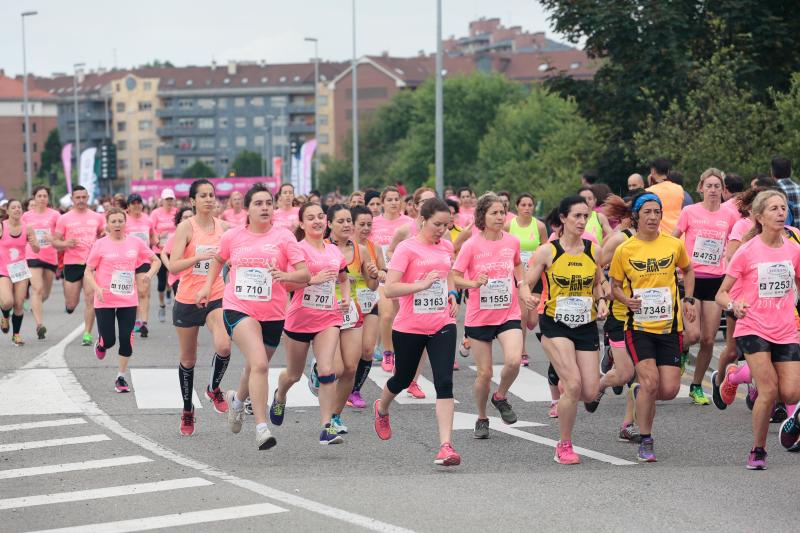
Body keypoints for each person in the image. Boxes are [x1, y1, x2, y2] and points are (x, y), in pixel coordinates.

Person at [198, 183, 308, 450]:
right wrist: (206, 286)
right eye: (258, 203)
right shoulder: (233, 236)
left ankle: (236, 399)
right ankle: (261, 427)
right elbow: (218, 260)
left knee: (253, 366)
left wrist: (286, 276)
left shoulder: (284, 238)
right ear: (247, 209)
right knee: (259, 364)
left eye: (268, 203)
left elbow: (304, 275)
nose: (265, 208)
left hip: (272, 313)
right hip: (238, 308)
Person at [373, 198, 462, 466]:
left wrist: (452, 293)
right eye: (437, 224)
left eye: (446, 225)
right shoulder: (406, 249)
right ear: (422, 220)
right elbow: (390, 289)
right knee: (402, 378)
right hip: (409, 325)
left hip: (442, 323)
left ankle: (446, 446)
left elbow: (448, 274)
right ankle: (382, 407)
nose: (442, 230)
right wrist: (420, 286)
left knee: (444, 382)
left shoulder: (446, 246)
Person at [715, 189, 800, 468]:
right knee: (769, 389)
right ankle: (758, 450)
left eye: (783, 208)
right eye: (774, 208)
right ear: (760, 217)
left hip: (785, 327)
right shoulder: (747, 251)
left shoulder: (794, 248)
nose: (781, 213)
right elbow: (722, 293)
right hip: (753, 327)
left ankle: (733, 376)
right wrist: (733, 306)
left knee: (791, 393)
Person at [609, 191, 696, 462]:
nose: (653, 217)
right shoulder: (625, 249)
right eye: (647, 212)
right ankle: (646, 439)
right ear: (636, 216)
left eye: (656, 212)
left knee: (668, 390)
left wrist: (689, 299)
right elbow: (615, 286)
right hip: (639, 326)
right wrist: (626, 300)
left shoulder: (673, 244)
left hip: (669, 327)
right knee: (649, 382)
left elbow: (688, 270)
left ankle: (639, 393)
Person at [523, 196, 608, 465]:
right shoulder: (549, 251)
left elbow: (599, 283)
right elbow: (526, 282)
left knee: (590, 392)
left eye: (586, 216)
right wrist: (527, 296)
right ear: (563, 218)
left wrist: (603, 299)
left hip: (585, 325)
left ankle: (566, 382)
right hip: (555, 324)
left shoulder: (593, 250)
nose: (582, 221)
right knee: (573, 385)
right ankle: (564, 445)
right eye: (577, 216)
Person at [271, 202, 350, 445]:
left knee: (327, 370)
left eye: (320, 217)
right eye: (311, 218)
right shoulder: (298, 250)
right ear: (302, 224)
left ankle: (326, 427)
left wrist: (344, 299)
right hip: (299, 319)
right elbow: (285, 284)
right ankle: (280, 395)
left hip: (329, 317)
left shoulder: (334, 251)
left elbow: (344, 279)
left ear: (326, 221)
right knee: (294, 374)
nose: (317, 221)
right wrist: (312, 280)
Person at [453, 192, 529, 437]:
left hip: (508, 313)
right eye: (494, 213)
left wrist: (523, 286)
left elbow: (517, 265)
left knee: (514, 360)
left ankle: (501, 396)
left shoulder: (512, 242)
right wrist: (473, 283)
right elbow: (454, 276)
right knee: (484, 373)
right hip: (479, 316)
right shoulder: (471, 245)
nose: (500, 217)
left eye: (502, 212)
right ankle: (482, 416)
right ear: (482, 216)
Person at [168, 179, 232, 436]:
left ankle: (213, 389)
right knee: (188, 359)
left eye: (211, 195)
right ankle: (187, 410)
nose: (208, 199)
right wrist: (197, 257)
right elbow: (173, 266)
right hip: (187, 298)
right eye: (203, 196)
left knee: (224, 345)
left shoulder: (224, 228)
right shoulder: (186, 227)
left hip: (216, 295)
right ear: (192, 201)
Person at [672, 168, 738, 405]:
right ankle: (680, 352)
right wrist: (674, 267)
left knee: (708, 339)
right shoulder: (689, 212)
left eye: (717, 186)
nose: (713, 190)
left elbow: (737, 244)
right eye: (708, 186)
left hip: (715, 280)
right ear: (700, 188)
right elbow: (673, 239)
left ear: (722, 190)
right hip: (691, 278)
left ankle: (696, 385)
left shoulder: (730, 216)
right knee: (694, 334)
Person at [84, 208, 160, 393]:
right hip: (105, 299)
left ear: (125, 223)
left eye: (120, 221)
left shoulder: (136, 242)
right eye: (113, 221)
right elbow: (88, 271)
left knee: (126, 339)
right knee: (109, 340)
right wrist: (97, 288)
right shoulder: (100, 244)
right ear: (107, 224)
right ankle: (101, 343)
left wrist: (148, 275)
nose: (117, 224)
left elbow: (155, 260)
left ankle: (121, 377)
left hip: (128, 299)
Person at [323, 204, 380, 433]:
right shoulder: (322, 248)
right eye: (341, 221)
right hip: (326, 312)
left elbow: (372, 285)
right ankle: (321, 368)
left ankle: (334, 416)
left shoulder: (361, 250)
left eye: (349, 221)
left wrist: (374, 275)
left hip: (352, 312)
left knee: (350, 368)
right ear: (329, 224)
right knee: (335, 368)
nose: (347, 225)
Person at [52, 186, 106, 346]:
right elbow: (55, 242)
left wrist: (102, 237)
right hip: (72, 263)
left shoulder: (97, 217)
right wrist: (65, 243)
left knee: (90, 299)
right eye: (78, 197)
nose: (81, 200)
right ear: (72, 199)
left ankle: (87, 333)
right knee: (72, 302)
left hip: (92, 263)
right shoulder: (64, 218)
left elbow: (104, 234)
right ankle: (69, 306)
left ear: (88, 197)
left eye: (84, 197)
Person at [346, 205, 386, 409]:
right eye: (361, 224)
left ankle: (355, 390)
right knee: (348, 354)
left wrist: (377, 273)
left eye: (369, 224)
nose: (365, 228)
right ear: (351, 225)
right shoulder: (344, 248)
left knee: (368, 349)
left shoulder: (374, 248)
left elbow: (380, 276)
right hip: (347, 304)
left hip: (369, 301)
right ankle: (333, 378)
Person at [372, 187, 413, 371]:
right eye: (389, 199)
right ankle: (387, 353)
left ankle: (400, 352)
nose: (394, 202)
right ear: (383, 203)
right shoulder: (373, 223)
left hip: (404, 274)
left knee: (400, 316)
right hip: (383, 273)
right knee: (387, 314)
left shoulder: (409, 223)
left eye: (397, 199)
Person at [505, 193, 547, 367]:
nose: (527, 208)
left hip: (535, 275)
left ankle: (529, 325)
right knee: (522, 315)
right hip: (517, 275)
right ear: (517, 207)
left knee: (532, 320)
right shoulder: (509, 226)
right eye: (523, 205)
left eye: (530, 205)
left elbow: (546, 248)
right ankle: (522, 351)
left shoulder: (539, 226)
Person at [22, 186, 60, 340]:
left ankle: (34, 304)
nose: (42, 198)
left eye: (45, 196)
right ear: (34, 198)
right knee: (37, 289)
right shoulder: (26, 216)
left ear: (48, 198)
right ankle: (39, 325)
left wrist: (53, 239)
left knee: (45, 293)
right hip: (32, 255)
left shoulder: (55, 215)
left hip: (50, 256)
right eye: (39, 196)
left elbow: (60, 234)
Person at [0, 199, 39, 346]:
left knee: (18, 303)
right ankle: (4, 316)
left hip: (20, 270)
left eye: (19, 207)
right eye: (13, 207)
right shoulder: (2, 227)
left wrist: (35, 244)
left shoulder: (27, 228)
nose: (17, 209)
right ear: (8, 211)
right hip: (3, 270)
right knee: (7, 301)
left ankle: (16, 334)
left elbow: (36, 249)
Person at [124, 194, 156, 338]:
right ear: (128, 206)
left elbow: (153, 237)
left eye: (139, 203)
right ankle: (134, 320)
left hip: (143, 260)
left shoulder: (147, 220)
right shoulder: (123, 220)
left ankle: (144, 323)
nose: (136, 206)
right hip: (126, 261)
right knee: (130, 292)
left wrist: (158, 241)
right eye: (133, 203)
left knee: (143, 291)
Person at [150, 188, 178, 322]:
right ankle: (161, 305)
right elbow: (151, 232)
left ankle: (171, 296)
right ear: (162, 200)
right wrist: (159, 238)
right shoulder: (155, 213)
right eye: (167, 199)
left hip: (174, 251)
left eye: (171, 199)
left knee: (174, 278)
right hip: (160, 251)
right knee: (161, 281)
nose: (169, 202)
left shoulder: (177, 212)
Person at [646, 158, 684, 234]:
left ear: (653, 171)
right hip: (679, 234)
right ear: (668, 172)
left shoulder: (649, 192)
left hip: (662, 236)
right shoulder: (679, 189)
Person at [772, 156, 800, 225]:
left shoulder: (772, 192)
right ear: (791, 171)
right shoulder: (798, 188)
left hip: (786, 234)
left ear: (772, 172)